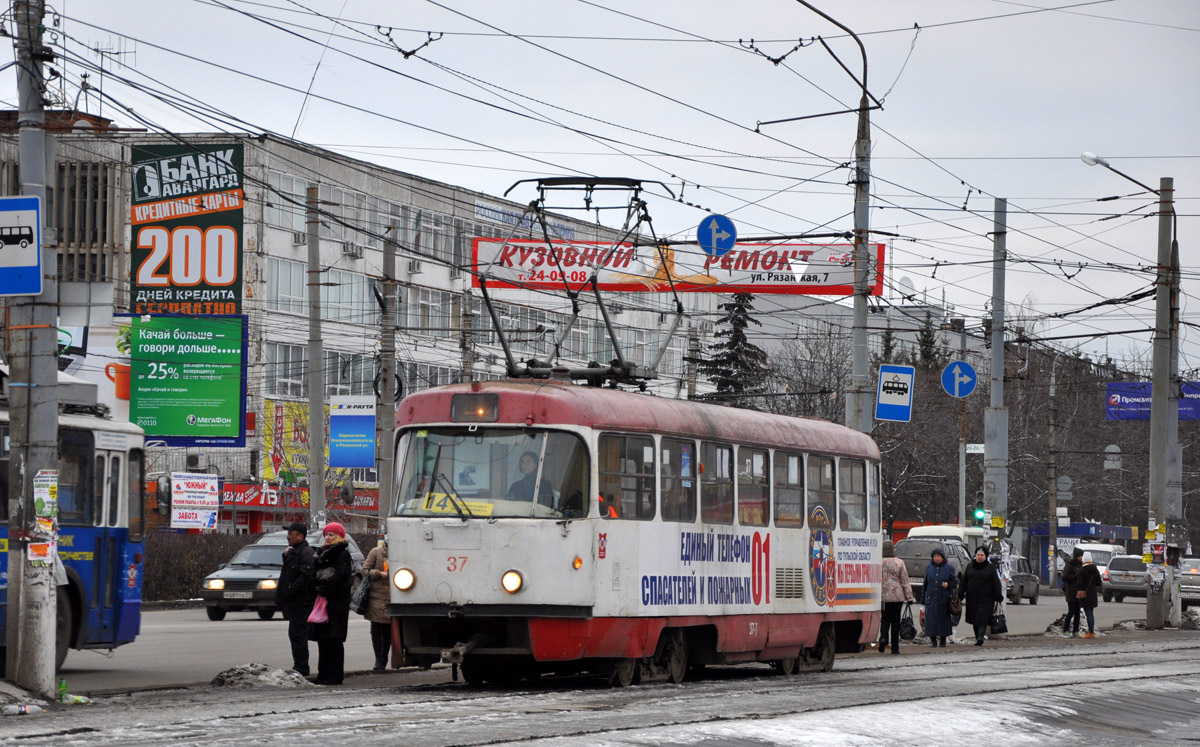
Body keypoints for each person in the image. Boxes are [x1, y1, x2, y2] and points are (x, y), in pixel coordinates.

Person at [309, 522, 354, 685]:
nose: (327, 538)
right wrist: (316, 585)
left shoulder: (342, 553)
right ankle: (323, 673)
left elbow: (342, 577)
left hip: (335, 602)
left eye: (331, 535)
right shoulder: (321, 553)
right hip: (323, 600)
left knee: (334, 640)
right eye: (326, 534)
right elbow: (313, 572)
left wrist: (325, 587)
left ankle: (334, 675)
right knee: (323, 640)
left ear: (339, 536)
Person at [275, 521, 315, 676]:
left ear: (300, 536)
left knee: (298, 635)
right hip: (295, 602)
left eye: (291, 534)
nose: (288, 537)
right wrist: (286, 556)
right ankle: (299, 665)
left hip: (302, 602)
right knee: (295, 634)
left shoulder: (305, 553)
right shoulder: (294, 551)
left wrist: (291, 590)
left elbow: (305, 576)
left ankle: (301, 667)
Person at [959, 546, 1004, 646]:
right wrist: (960, 593)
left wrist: (998, 595)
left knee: (982, 618)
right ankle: (977, 637)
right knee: (974, 618)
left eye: (982, 555)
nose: (979, 557)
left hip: (986, 598)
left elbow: (996, 582)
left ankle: (980, 637)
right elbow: (964, 581)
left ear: (985, 556)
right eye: (978, 555)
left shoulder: (990, 567)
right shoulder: (970, 566)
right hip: (972, 597)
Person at [879, 540, 915, 654]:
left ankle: (883, 637)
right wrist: (909, 597)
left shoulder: (878, 562)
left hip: (882, 596)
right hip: (897, 596)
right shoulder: (899, 563)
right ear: (893, 549)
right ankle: (895, 648)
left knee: (884, 619)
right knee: (895, 621)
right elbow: (905, 581)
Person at [362, 538, 391, 671]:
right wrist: (378, 573)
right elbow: (365, 571)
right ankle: (379, 660)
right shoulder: (376, 552)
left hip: (393, 597)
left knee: (389, 631)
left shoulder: (403, 553)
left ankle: (383, 658)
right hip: (377, 597)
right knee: (377, 629)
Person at [922, 547, 957, 648]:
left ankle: (943, 640)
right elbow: (925, 583)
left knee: (943, 620)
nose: (936, 558)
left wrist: (948, 585)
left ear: (942, 557)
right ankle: (933, 640)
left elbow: (955, 581)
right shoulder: (929, 568)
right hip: (931, 597)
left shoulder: (948, 568)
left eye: (938, 556)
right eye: (934, 556)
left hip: (943, 598)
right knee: (931, 620)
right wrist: (923, 597)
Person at [1075, 551, 1103, 638]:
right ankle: (1091, 631)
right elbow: (1099, 583)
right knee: (1091, 613)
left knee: (1088, 613)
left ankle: (1091, 633)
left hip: (1085, 594)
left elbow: (1079, 583)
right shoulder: (1095, 569)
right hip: (1093, 593)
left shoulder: (1082, 570)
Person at [1062, 547, 1084, 638]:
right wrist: (1076, 576)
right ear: (1076, 556)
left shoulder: (1080, 565)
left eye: (1082, 556)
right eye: (1080, 556)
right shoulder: (1069, 565)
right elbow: (1064, 577)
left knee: (1077, 613)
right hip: (1071, 592)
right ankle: (1065, 630)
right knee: (1071, 611)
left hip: (1078, 592)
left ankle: (1076, 631)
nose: (1081, 557)